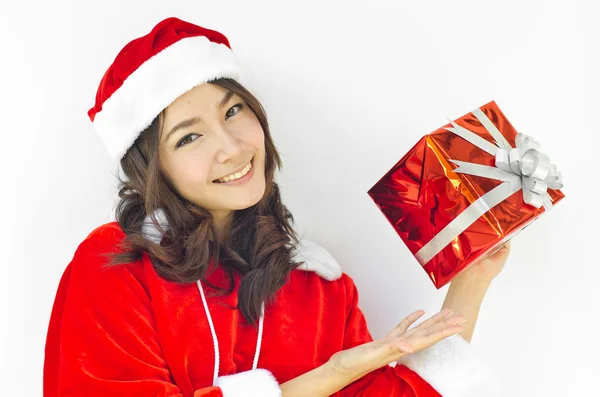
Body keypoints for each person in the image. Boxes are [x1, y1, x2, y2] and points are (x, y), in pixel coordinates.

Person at [43, 16, 509, 397]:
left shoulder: (319, 287)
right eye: (189, 137)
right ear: (154, 170)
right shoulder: (116, 267)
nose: (230, 147)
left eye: (232, 112)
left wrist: (471, 282)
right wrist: (331, 374)